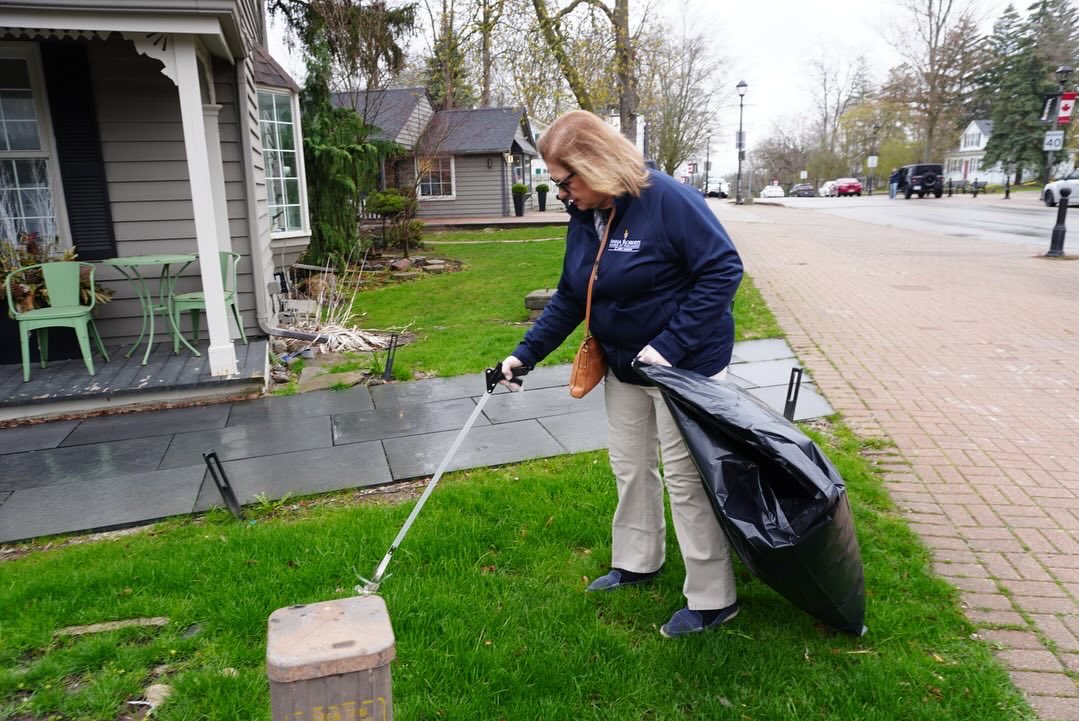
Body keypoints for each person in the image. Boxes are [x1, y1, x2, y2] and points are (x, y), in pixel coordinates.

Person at [498, 110, 744, 638]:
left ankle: (713, 598)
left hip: (686, 368)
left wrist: (669, 346)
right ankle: (637, 562)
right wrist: (524, 355)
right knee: (630, 466)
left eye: (566, 181)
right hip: (625, 366)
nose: (562, 193)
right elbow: (571, 293)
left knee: (686, 480)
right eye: (556, 183)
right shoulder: (586, 214)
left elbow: (724, 269)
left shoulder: (667, 201)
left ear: (596, 163)